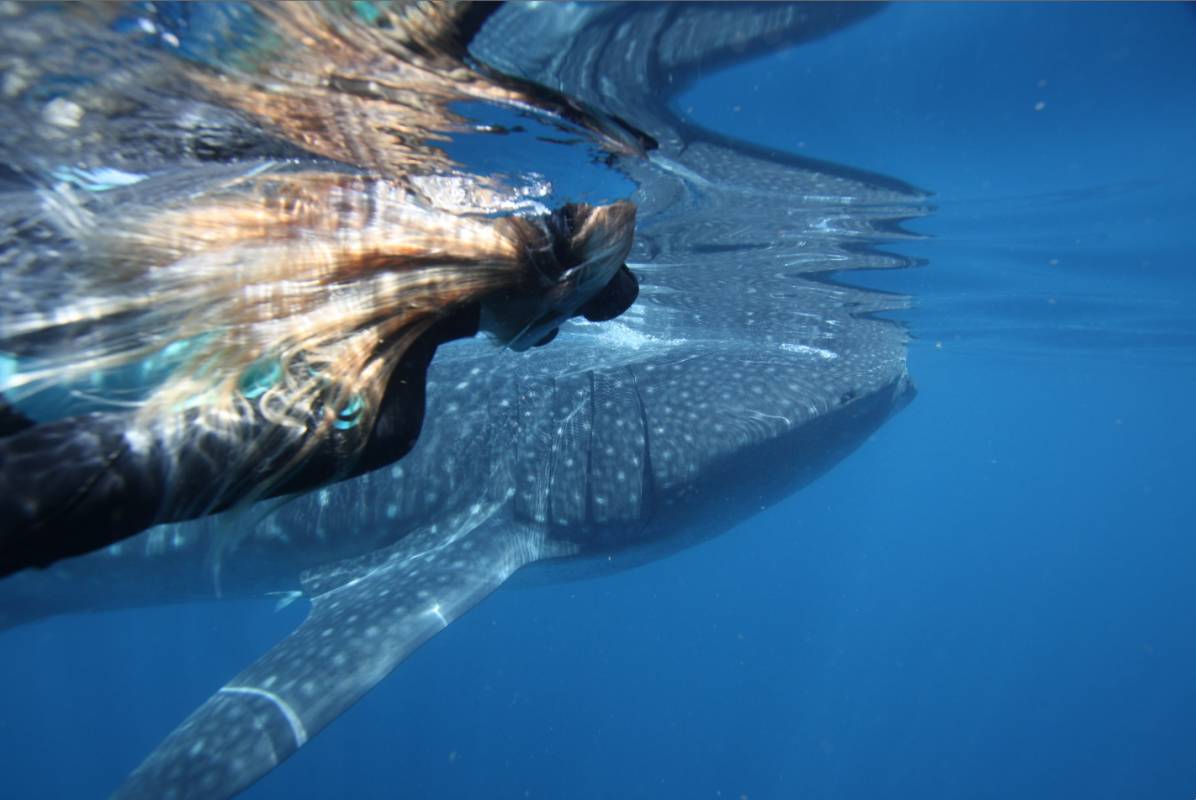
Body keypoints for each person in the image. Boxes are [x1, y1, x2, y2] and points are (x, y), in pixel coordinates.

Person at [0, 188, 638, 577]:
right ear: (550, 305)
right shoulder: (376, 407)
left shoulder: (337, 207)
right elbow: (92, 482)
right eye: (562, 323)